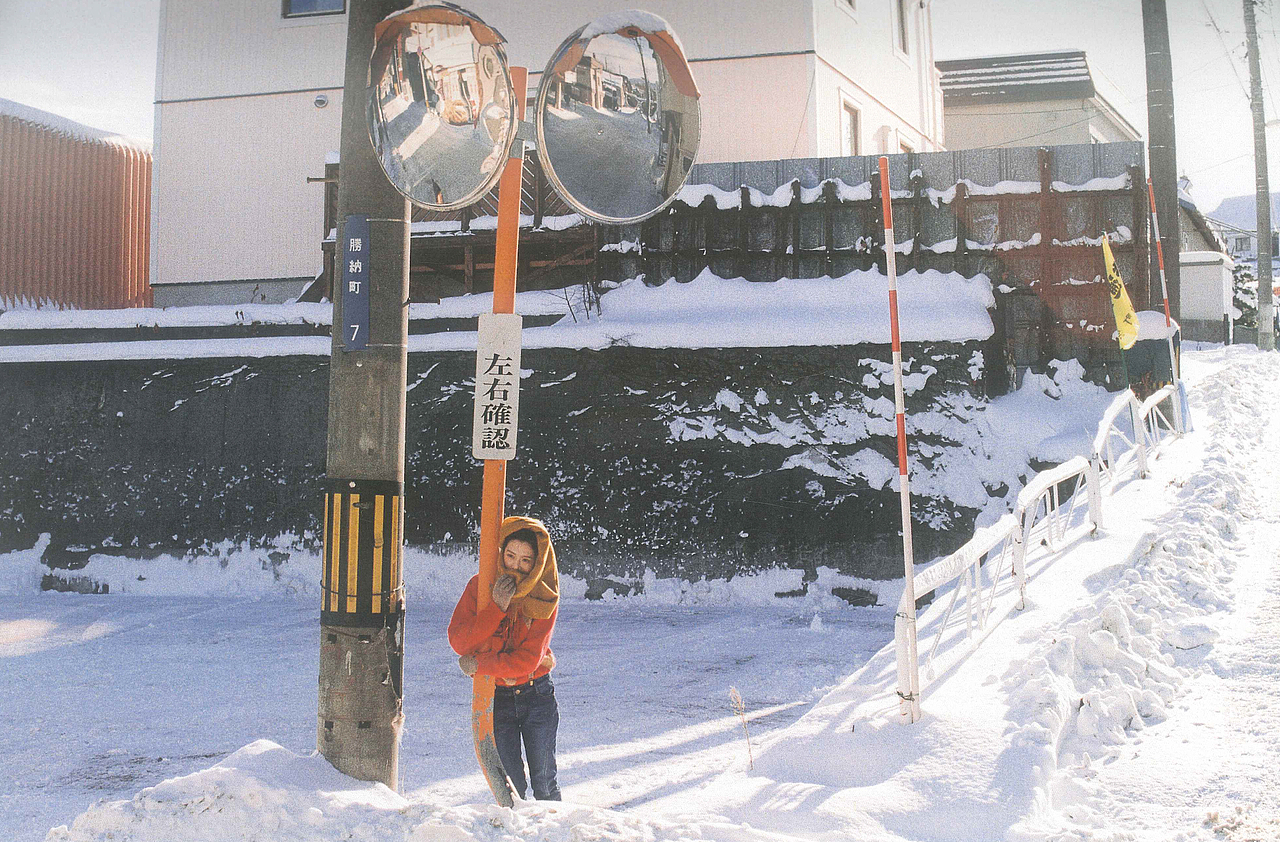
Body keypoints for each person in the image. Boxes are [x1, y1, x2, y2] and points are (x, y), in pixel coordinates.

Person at [448, 516, 561, 801]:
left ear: (538, 562)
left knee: (545, 784)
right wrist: (495, 608)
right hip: (497, 698)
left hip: (537, 696)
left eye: (526, 560)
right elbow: (460, 640)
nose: (515, 566)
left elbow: (526, 660)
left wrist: (481, 664)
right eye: (510, 556)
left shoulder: (544, 596)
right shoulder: (481, 586)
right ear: (500, 553)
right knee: (509, 789)